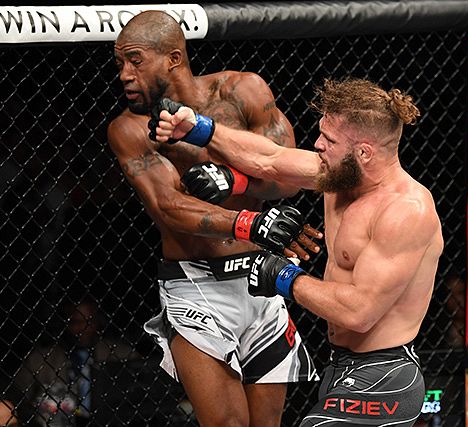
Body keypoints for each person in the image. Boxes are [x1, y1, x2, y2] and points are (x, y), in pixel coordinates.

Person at [152, 77, 444, 426]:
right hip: (341, 368)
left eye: (329, 141)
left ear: (364, 152)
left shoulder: (405, 211)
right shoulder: (339, 177)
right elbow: (268, 158)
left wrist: (284, 277)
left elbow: (359, 312)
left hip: (385, 374)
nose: (318, 145)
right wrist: (199, 128)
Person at [107, 10, 319, 427]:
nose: (125, 75)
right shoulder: (129, 129)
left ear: (173, 58)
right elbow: (168, 206)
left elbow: (289, 178)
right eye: (120, 64)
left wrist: (233, 179)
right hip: (196, 285)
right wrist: (251, 223)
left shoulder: (243, 91)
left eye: (135, 60)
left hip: (261, 278)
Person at [14, 298, 138, 427]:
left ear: (97, 322)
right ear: (65, 323)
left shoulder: (121, 354)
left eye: (89, 322)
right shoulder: (40, 359)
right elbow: (18, 398)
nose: (83, 328)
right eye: (76, 322)